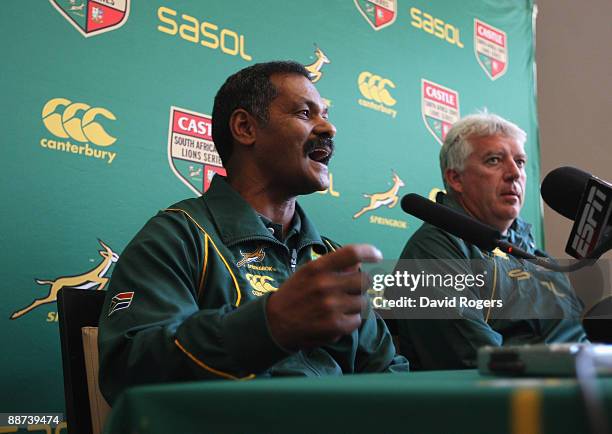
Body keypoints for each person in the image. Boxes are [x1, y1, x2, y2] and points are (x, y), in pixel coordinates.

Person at [98, 61, 408, 404]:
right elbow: (128, 372)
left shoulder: (331, 258)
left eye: (326, 114)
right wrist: (268, 326)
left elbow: (388, 370)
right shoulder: (178, 236)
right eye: (306, 113)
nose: (329, 128)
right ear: (245, 127)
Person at [395, 112, 587, 370]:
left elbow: (581, 347)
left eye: (520, 162)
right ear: (455, 179)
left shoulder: (541, 259)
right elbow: (477, 361)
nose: (514, 173)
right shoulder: (433, 249)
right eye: (494, 160)